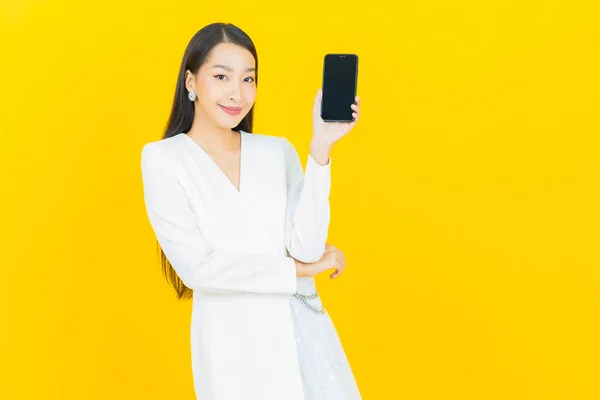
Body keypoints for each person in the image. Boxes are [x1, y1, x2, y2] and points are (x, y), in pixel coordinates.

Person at [140, 22, 362, 400]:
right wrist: (302, 271)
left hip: (300, 335)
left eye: (248, 79)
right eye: (222, 76)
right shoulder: (164, 158)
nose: (237, 93)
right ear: (191, 82)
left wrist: (320, 148)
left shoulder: (277, 151)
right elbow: (197, 268)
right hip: (232, 348)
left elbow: (306, 246)